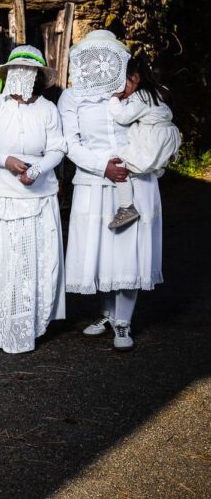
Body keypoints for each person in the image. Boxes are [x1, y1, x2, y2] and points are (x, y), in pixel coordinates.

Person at [0, 45, 66, 353]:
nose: (23, 77)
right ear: (8, 74)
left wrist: (38, 169)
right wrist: (5, 160)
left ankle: (29, 321)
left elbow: (57, 147)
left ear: (37, 77)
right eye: (17, 71)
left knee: (32, 258)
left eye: (29, 72)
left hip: (38, 194)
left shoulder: (47, 109)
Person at [60, 30, 164, 351]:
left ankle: (124, 321)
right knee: (102, 250)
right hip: (93, 182)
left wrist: (139, 160)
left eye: (105, 57)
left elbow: (154, 129)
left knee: (127, 250)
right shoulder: (72, 97)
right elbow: (69, 142)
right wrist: (101, 166)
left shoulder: (133, 92)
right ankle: (107, 313)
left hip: (134, 180)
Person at [107, 57, 181, 229]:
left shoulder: (142, 96)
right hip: (168, 136)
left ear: (135, 78)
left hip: (155, 137)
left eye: (123, 83)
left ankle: (126, 207)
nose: (120, 89)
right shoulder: (159, 91)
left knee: (119, 161)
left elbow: (123, 117)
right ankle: (154, 168)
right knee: (143, 162)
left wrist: (113, 99)